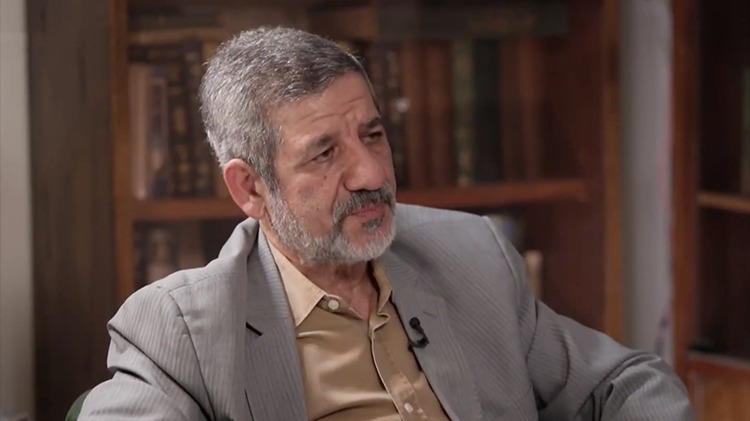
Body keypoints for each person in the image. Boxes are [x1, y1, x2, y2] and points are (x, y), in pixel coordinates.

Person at [80, 26, 693, 420]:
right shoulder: (182, 330)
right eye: (325, 154)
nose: (372, 173)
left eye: (373, 135)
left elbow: (626, 382)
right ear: (250, 187)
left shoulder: (469, 254)